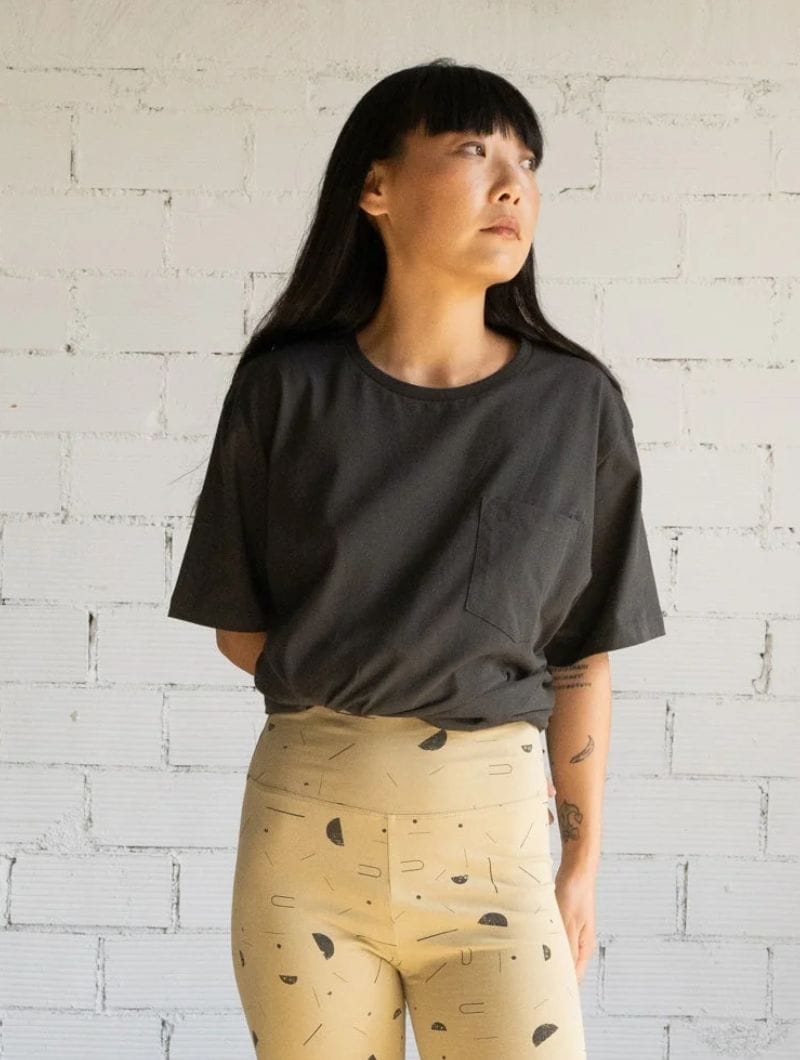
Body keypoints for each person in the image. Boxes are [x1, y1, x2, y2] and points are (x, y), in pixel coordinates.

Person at [167, 58, 666, 1060]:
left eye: (527, 162)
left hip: (497, 849)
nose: (513, 185)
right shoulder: (284, 392)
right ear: (375, 187)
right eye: (474, 150)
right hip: (303, 852)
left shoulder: (574, 407)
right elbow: (237, 623)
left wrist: (579, 868)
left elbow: (581, 654)